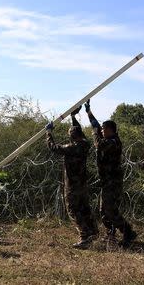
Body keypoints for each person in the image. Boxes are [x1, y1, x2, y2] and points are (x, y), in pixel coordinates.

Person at [85, 100, 137, 247]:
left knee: (110, 209)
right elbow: (95, 125)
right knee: (103, 210)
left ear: (111, 130)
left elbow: (98, 144)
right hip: (106, 181)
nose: (101, 131)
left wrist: (95, 132)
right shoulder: (107, 138)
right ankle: (111, 234)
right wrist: (89, 112)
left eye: (104, 129)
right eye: (102, 129)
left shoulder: (114, 142)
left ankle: (128, 232)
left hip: (113, 182)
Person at [45, 106, 98, 249]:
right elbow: (78, 131)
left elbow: (53, 147)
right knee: (84, 208)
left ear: (72, 137)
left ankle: (84, 236)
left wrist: (48, 132)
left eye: (70, 134)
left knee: (73, 210)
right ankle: (93, 232)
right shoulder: (85, 144)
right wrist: (74, 118)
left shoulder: (70, 147)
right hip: (82, 184)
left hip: (72, 186)